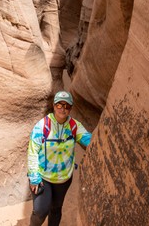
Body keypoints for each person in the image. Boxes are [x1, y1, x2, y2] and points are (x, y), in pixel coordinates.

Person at [27, 91, 92, 226]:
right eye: (59, 105)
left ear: (71, 108)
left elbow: (89, 141)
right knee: (40, 211)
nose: (63, 109)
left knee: (56, 210)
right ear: (54, 105)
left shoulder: (74, 126)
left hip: (63, 179)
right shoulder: (42, 126)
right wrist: (34, 177)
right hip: (43, 177)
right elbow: (33, 152)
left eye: (67, 106)